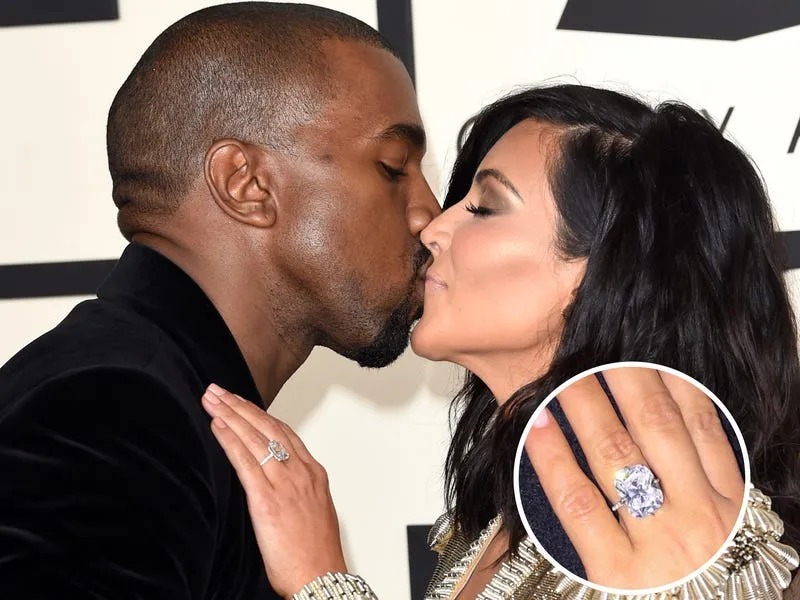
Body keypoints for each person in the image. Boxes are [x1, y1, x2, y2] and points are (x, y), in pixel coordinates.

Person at [199, 84, 800, 599]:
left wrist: (321, 580)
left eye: (485, 207)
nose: (433, 228)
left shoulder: (703, 537)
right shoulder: (492, 519)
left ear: (609, 272)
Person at [0, 3, 439, 598]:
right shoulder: (113, 413)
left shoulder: (154, 399)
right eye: (392, 167)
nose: (429, 213)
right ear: (246, 185)